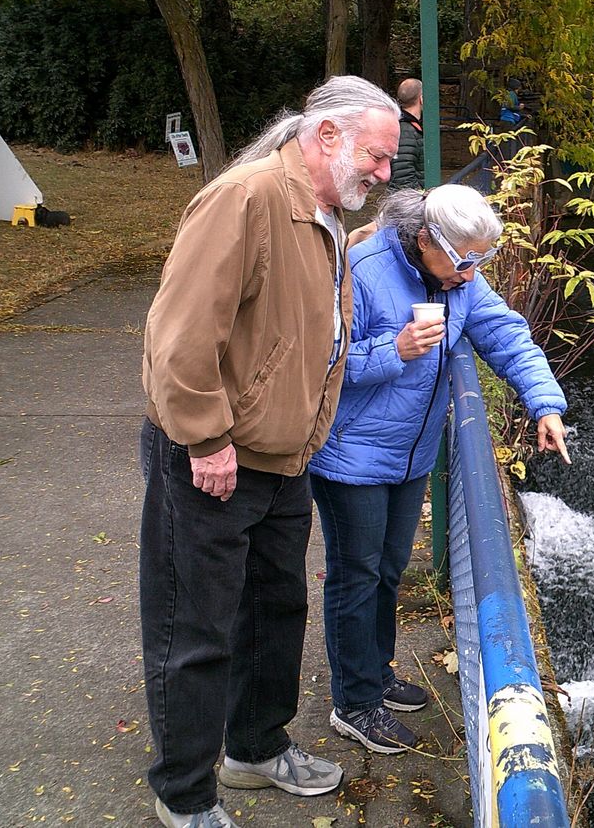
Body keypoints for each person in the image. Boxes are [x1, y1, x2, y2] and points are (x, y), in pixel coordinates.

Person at [139, 76, 400, 828]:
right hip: (214, 456)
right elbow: (180, 335)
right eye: (377, 157)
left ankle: (254, 748)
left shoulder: (323, 214)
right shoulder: (248, 198)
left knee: (275, 610)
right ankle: (185, 795)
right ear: (325, 137)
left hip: (284, 458)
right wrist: (207, 437)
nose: (385, 175)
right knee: (195, 629)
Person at [308, 184, 570, 755]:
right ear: (425, 240)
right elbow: (315, 359)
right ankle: (354, 704)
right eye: (463, 260)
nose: (472, 274)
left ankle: (375, 676)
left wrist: (544, 403)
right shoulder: (360, 267)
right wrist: (393, 350)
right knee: (356, 573)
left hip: (410, 454)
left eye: (481, 262)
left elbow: (505, 335)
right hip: (349, 452)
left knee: (388, 569)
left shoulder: (460, 281)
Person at [389, 77, 424, 190]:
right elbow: (402, 177)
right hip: (409, 201)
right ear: (421, 99)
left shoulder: (404, 125)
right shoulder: (405, 131)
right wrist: (420, 197)